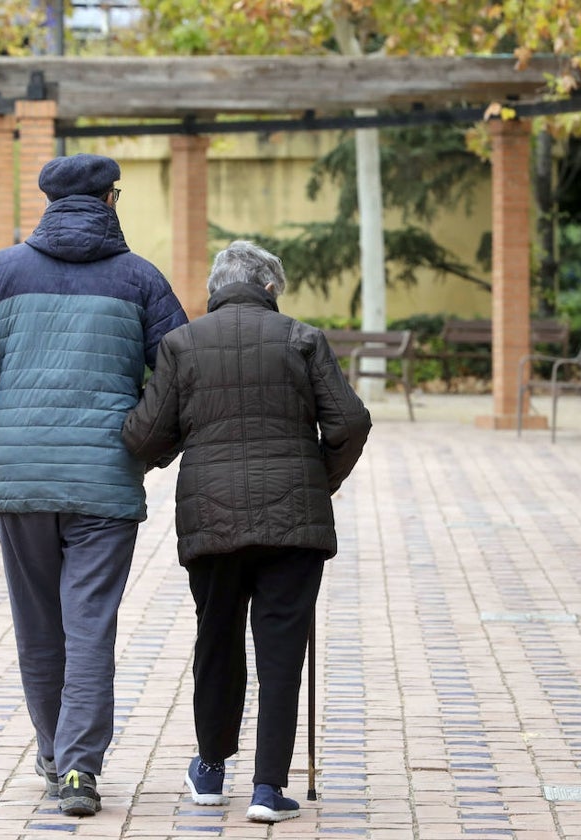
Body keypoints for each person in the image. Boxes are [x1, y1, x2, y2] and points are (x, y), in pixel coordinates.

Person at [0, 153, 188, 818]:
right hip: (105, 479)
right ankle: (79, 770)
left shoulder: (2, 271)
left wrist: (2, 446)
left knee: (39, 627)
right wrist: (144, 447)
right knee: (90, 625)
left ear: (49, 202)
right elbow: (180, 378)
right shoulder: (141, 279)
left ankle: (55, 752)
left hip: (22, 477)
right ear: (110, 200)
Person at [122, 240, 372, 823]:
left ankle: (210, 773)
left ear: (216, 290)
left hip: (211, 520)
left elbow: (143, 437)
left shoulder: (181, 344)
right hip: (294, 525)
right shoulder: (301, 338)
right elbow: (351, 421)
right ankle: (267, 789)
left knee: (217, 639)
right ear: (269, 289)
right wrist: (318, 479)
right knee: (283, 651)